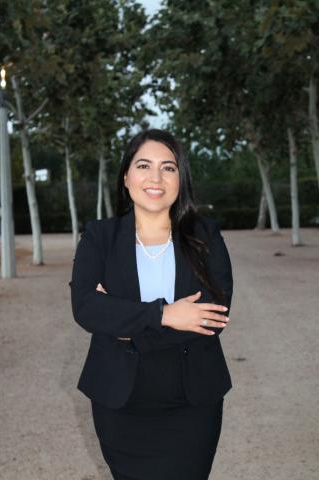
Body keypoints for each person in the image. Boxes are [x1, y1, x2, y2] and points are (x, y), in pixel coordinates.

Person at [69, 128, 233, 480]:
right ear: (126, 176)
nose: (155, 177)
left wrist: (123, 325)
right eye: (143, 165)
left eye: (168, 168)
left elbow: (213, 317)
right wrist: (166, 314)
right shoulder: (99, 236)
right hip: (120, 404)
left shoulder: (206, 235)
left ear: (180, 178)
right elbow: (85, 307)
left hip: (192, 404)